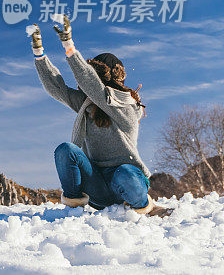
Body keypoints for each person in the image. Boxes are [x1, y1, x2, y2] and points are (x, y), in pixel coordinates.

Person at [30, 15, 171, 217]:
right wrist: (39, 54)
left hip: (127, 179)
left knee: (124, 174)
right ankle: (75, 205)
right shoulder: (88, 105)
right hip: (97, 185)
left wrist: (69, 46)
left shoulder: (128, 107)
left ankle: (143, 205)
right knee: (66, 150)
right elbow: (58, 89)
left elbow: (96, 89)